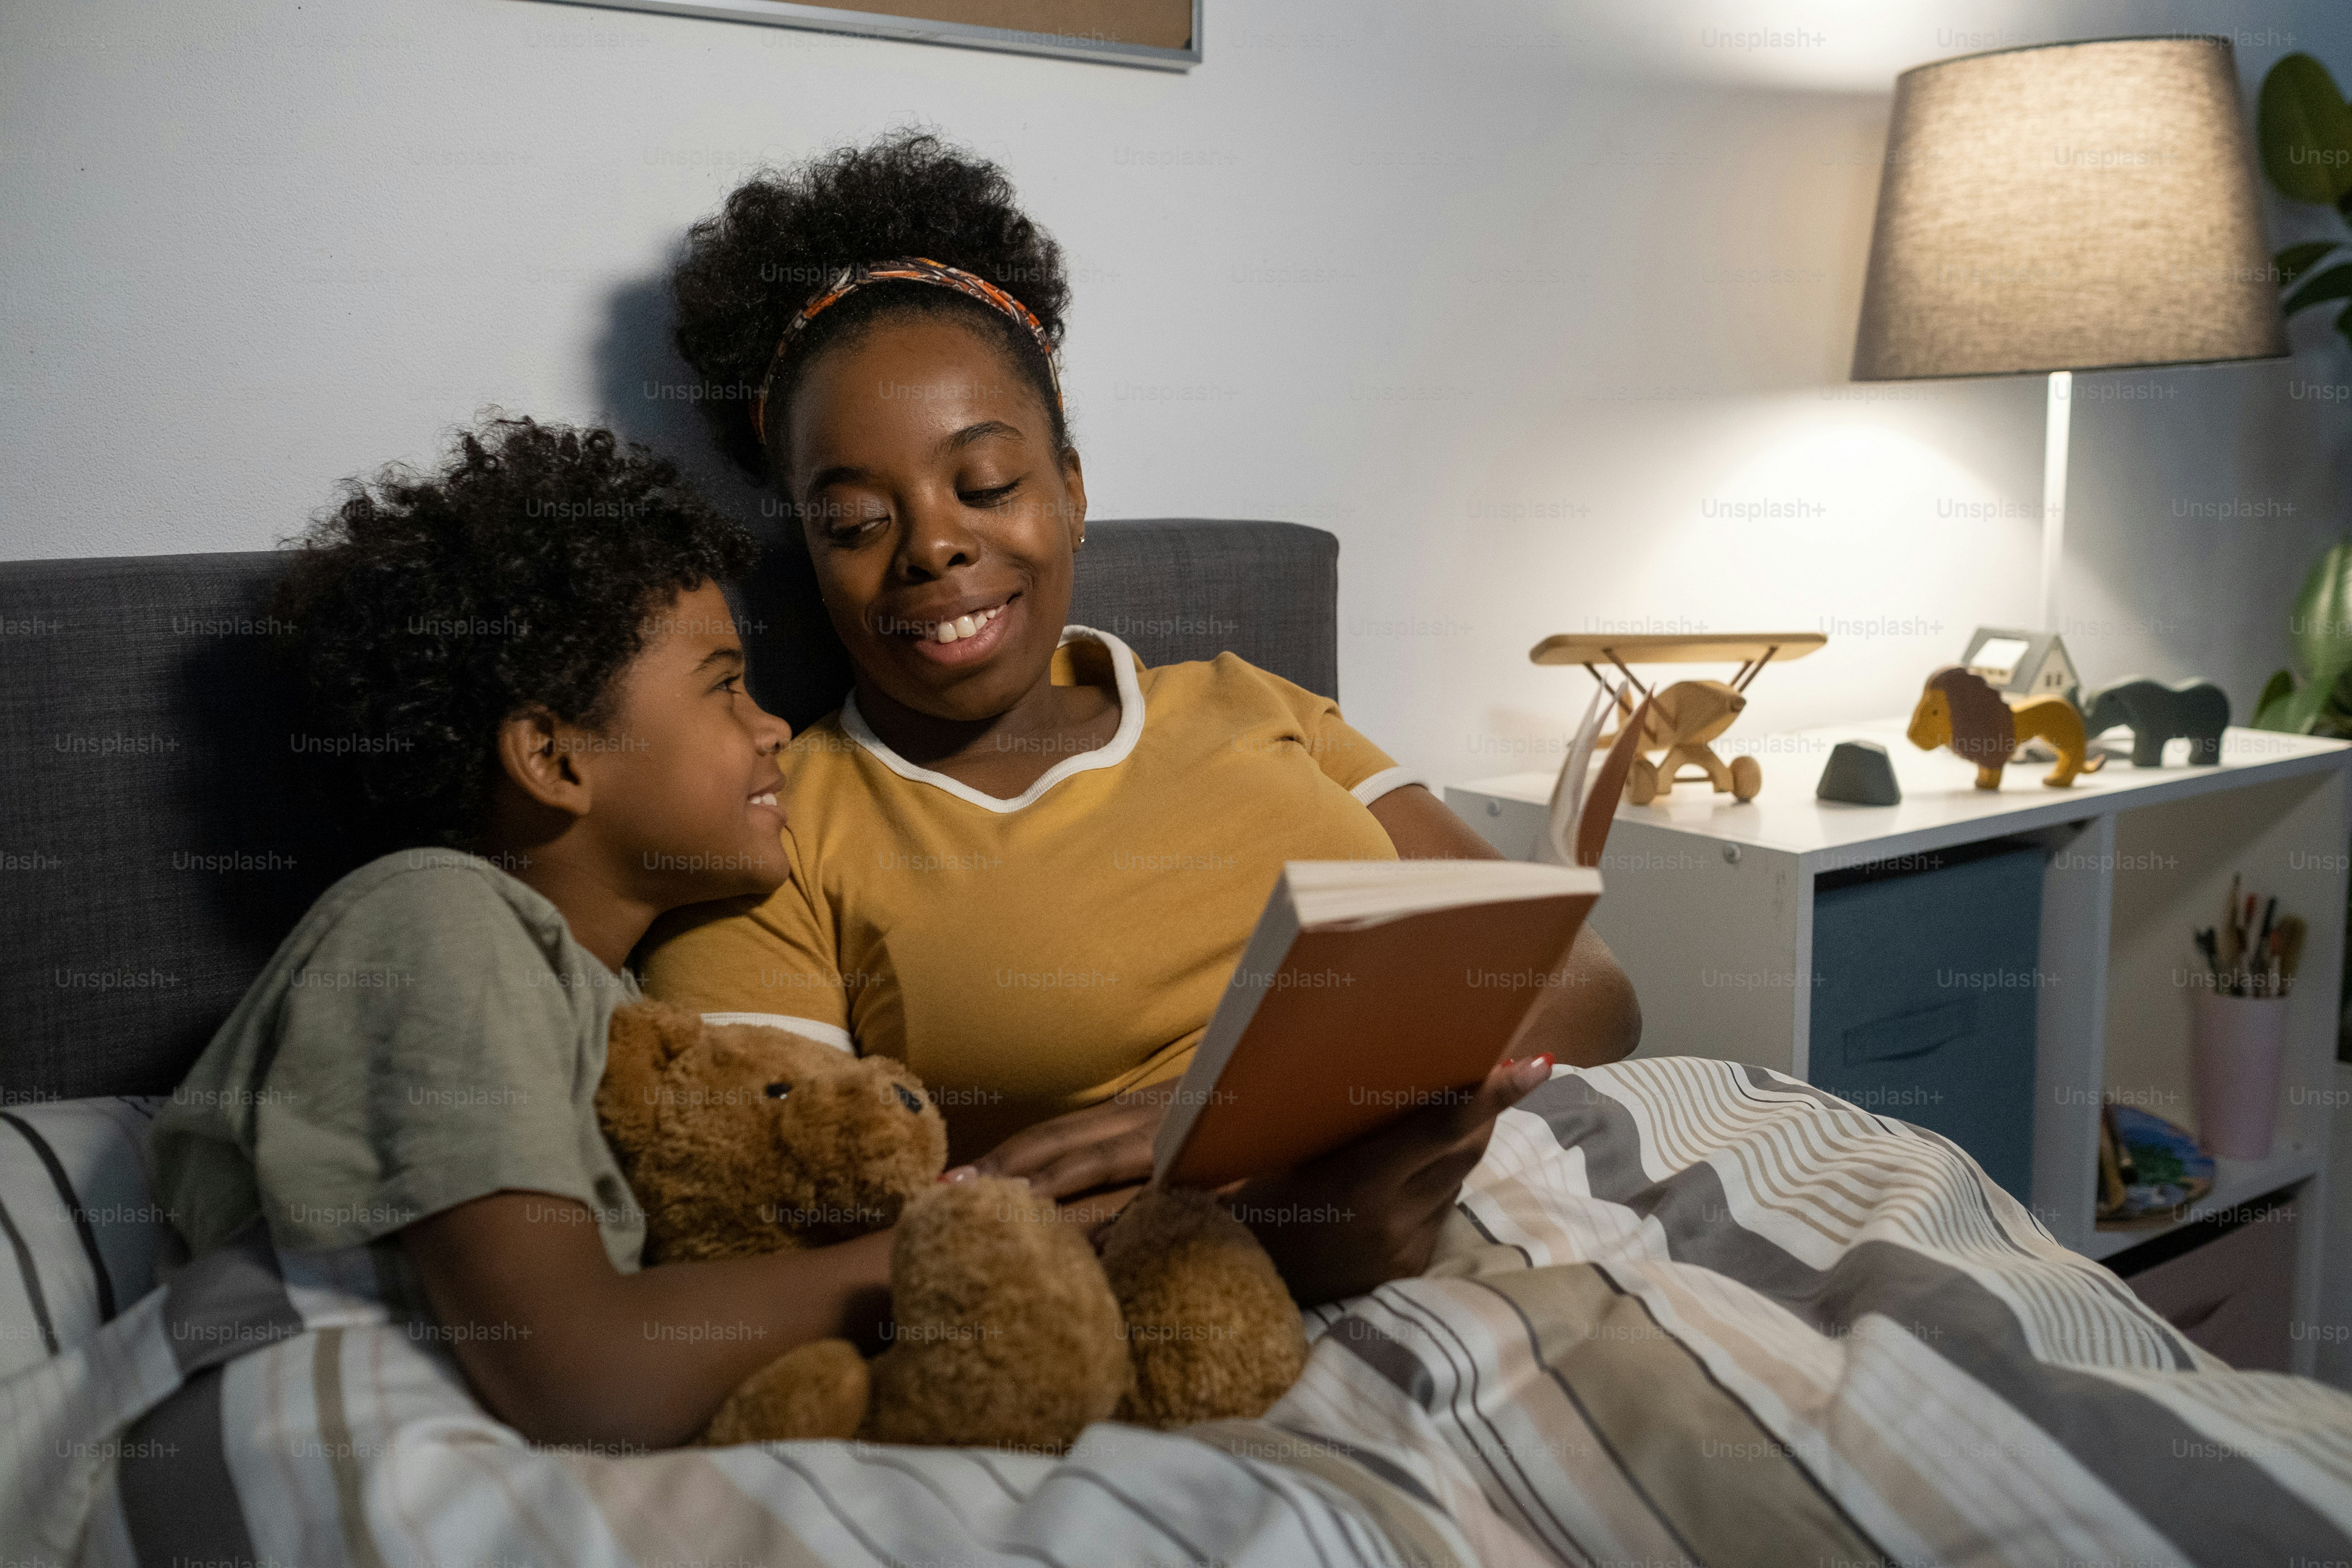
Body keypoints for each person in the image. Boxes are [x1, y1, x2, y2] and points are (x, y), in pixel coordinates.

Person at [645, 132, 1642, 1306]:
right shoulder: (777, 825)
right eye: (856, 521)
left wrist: (1216, 1116)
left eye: (986, 485)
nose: (934, 545)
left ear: (1071, 491)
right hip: (1162, 1297)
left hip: (1548, 1186)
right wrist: (1250, 1221)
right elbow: (766, 1246)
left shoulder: (1250, 701)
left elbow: (1589, 989)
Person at [150, 416, 888, 1450]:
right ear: (553, 758)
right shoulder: (434, 921)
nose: (772, 727)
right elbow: (585, 1377)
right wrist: (916, 1260)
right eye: (725, 685)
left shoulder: (615, 1007)